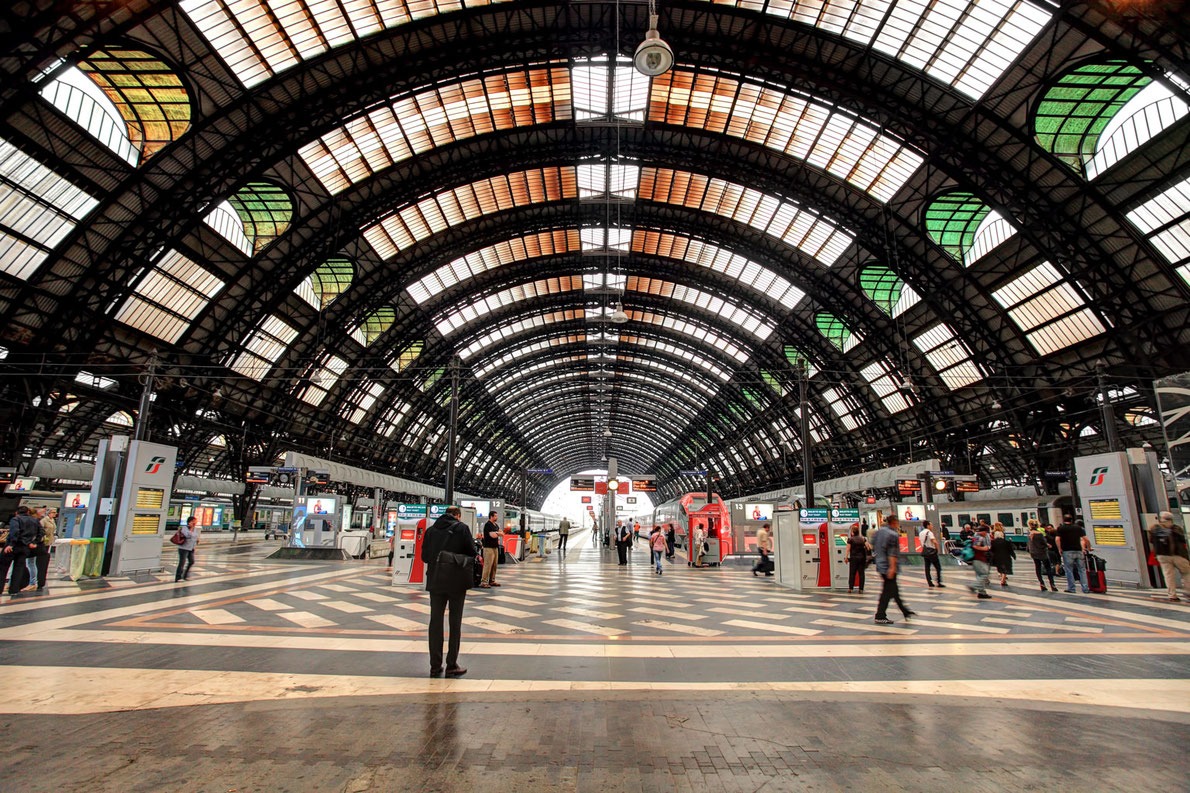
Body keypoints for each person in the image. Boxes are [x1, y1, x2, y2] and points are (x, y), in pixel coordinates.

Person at [420, 506, 474, 677]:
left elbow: (424, 557)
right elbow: (472, 552)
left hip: (435, 580)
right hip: (456, 580)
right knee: (455, 622)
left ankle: (435, 666)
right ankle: (452, 664)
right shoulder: (462, 528)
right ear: (457, 515)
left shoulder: (430, 531)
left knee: (435, 622)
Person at [872, 516, 914, 625]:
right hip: (888, 567)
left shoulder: (879, 532)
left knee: (892, 590)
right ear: (894, 522)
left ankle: (905, 611)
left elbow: (873, 545)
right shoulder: (893, 535)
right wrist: (892, 567)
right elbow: (892, 553)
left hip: (880, 565)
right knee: (888, 591)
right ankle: (880, 615)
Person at [1148, 511, 1190, 602]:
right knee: (1186, 572)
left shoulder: (1154, 528)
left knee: (1168, 575)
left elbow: (1151, 540)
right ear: (1171, 519)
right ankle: (1189, 590)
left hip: (1162, 555)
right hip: (1178, 554)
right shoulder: (1176, 528)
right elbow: (1183, 539)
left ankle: (1172, 595)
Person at [1, 506, 42, 594]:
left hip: (13, 547)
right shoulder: (35, 521)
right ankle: (14, 590)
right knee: (18, 568)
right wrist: (34, 542)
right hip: (25, 547)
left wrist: (11, 544)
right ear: (28, 512)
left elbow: (14, 532)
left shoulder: (16, 519)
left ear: (17, 513)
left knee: (3, 568)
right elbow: (41, 532)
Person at [1055, 516, 1090, 593]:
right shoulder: (1078, 528)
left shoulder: (1061, 528)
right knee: (1082, 570)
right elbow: (1086, 539)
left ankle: (1072, 588)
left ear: (1063, 520)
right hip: (1078, 550)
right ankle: (1085, 588)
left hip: (1067, 551)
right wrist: (1089, 547)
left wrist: (1059, 549)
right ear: (1072, 520)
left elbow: (1057, 539)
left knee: (1069, 570)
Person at [1027, 520, 1056, 591]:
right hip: (1042, 552)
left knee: (1038, 567)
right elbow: (1044, 542)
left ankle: (1042, 583)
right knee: (1048, 567)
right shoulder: (1039, 534)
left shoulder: (1029, 534)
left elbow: (1028, 544)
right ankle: (1052, 584)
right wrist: (1048, 545)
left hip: (1033, 552)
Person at [31, 507, 56, 591]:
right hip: (41, 542)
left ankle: (38, 582)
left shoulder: (52, 521)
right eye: (53, 512)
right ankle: (34, 582)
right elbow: (40, 531)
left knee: (41, 561)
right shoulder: (44, 520)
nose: (54, 514)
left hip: (47, 541)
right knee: (34, 562)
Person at [968, 522, 992, 598]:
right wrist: (985, 548)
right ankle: (974, 586)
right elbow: (975, 546)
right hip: (978, 558)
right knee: (985, 574)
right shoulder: (979, 537)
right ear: (984, 532)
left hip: (977, 559)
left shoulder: (976, 536)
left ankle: (982, 593)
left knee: (980, 575)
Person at [479, 510, 501, 588]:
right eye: (495, 516)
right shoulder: (488, 525)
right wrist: (498, 534)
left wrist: (497, 533)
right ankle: (484, 581)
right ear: (491, 516)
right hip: (488, 548)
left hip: (495, 547)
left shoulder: (496, 525)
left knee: (494, 565)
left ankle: (492, 580)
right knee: (488, 564)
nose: (496, 517)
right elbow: (493, 535)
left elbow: (499, 533)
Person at [919, 520, 944, 588]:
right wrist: (937, 550)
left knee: (927, 568)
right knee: (938, 567)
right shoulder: (929, 533)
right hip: (932, 552)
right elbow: (934, 542)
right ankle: (938, 582)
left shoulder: (921, 533)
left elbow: (921, 543)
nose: (932, 526)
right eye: (931, 525)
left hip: (925, 552)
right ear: (928, 525)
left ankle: (929, 582)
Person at [844, 525, 868, 594]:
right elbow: (868, 546)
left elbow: (848, 549)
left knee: (852, 573)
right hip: (862, 558)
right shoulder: (863, 539)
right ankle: (861, 589)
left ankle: (850, 588)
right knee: (861, 574)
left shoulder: (850, 539)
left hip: (853, 558)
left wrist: (846, 557)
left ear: (852, 532)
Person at [175, 516, 199, 582]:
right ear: (190, 521)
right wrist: (191, 530)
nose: (195, 522)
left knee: (192, 561)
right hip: (183, 548)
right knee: (182, 562)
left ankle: (185, 575)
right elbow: (188, 535)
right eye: (194, 521)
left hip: (191, 548)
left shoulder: (195, 529)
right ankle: (178, 577)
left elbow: (195, 537)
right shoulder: (184, 528)